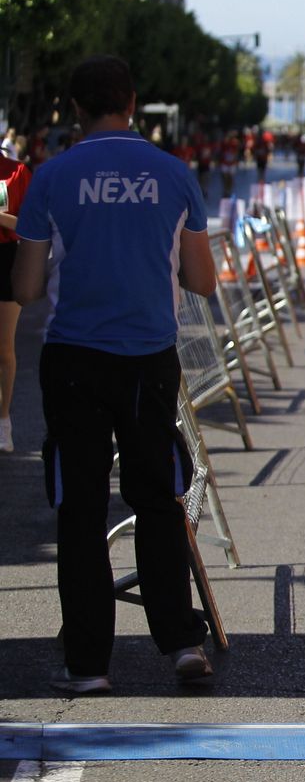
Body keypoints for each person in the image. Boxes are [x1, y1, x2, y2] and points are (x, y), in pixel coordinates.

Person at [11, 54, 219, 693]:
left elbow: (25, 288)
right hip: (148, 358)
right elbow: (203, 281)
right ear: (132, 102)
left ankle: (87, 664)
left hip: (73, 356)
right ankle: (182, 643)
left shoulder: (51, 177)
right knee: (157, 498)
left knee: (79, 507)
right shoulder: (174, 174)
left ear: (74, 108)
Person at [0, 149, 32, 453]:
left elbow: (28, 225)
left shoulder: (15, 171)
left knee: (4, 347)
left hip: (5, 259)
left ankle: (4, 420)